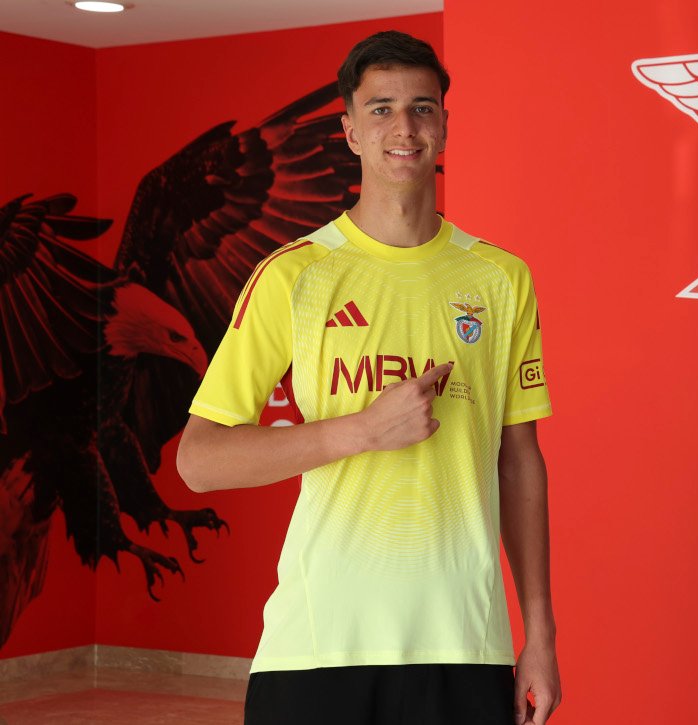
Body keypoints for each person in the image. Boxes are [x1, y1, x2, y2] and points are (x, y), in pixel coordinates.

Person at [176, 31, 560, 725]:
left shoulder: (501, 279)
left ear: (444, 124)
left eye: (422, 107)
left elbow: (519, 461)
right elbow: (199, 461)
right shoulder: (294, 274)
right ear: (350, 129)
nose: (403, 127)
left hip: (465, 643)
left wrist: (541, 635)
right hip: (318, 648)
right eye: (380, 109)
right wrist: (360, 430)